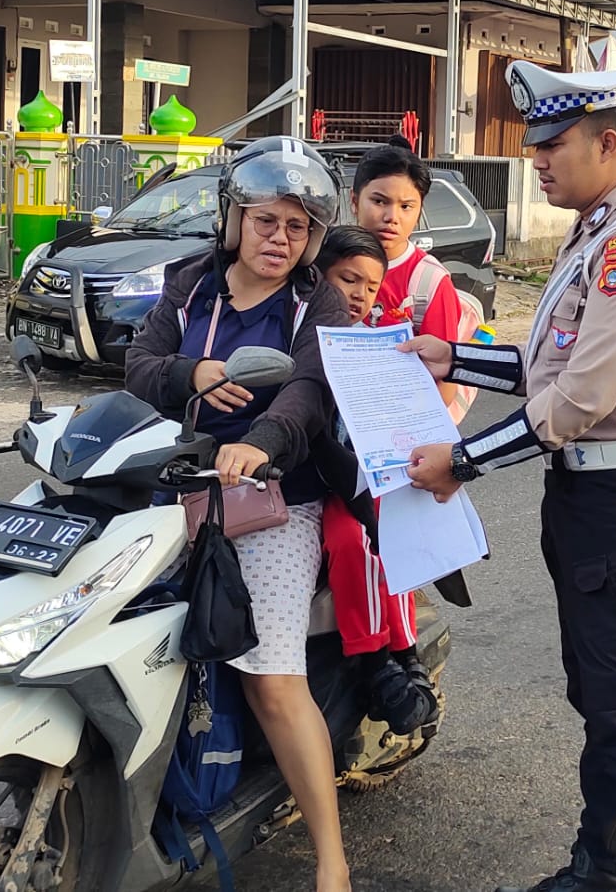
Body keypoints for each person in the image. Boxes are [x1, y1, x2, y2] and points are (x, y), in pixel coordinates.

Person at [403, 59, 616, 892]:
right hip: (595, 496)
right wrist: (452, 352)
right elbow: (551, 363)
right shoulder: (599, 232)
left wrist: (462, 462)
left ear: (609, 142)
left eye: (553, 143)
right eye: (534, 144)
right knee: (606, 697)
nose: (537, 159)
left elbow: (579, 398)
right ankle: (601, 864)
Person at [125, 136, 354, 892]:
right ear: (235, 218)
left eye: (295, 226)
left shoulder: (311, 301)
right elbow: (139, 367)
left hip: (275, 500)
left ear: (312, 237)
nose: (278, 238)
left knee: (271, 676)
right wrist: (195, 371)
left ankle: (331, 861)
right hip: (179, 483)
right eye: (264, 221)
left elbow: (310, 391)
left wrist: (257, 443)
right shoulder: (192, 284)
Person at [319, 137, 460, 733]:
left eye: (405, 206)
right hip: (322, 446)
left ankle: (394, 657)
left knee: (372, 538)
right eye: (379, 201)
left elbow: (451, 382)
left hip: (397, 454)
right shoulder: (318, 269)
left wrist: (422, 450)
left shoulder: (429, 284)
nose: (390, 216)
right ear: (355, 201)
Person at [310, 225, 440, 735]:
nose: (359, 294)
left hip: (372, 479)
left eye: (370, 285)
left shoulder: (380, 346)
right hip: (318, 484)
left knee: (393, 538)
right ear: (319, 278)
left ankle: (406, 655)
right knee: (350, 540)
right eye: (347, 279)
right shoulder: (304, 342)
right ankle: (372, 659)